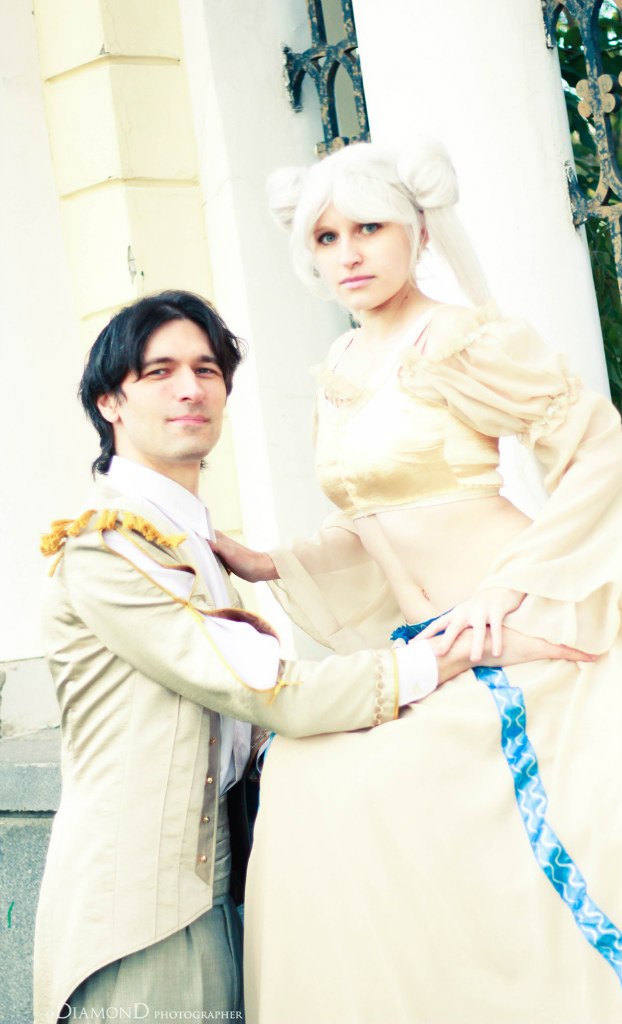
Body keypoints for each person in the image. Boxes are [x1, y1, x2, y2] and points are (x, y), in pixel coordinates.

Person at [213, 141, 622, 1023]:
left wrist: (515, 584)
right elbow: (373, 519)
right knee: (310, 774)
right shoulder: (343, 365)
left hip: (517, 627)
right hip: (431, 643)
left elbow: (596, 452)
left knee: (368, 787)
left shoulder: (460, 340)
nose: (348, 254)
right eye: (326, 238)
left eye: (369, 228)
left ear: (419, 232)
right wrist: (270, 562)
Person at [33, 290, 570, 1024]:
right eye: (159, 372)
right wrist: (448, 653)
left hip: (213, 888)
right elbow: (269, 691)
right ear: (109, 403)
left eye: (207, 369)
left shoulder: (189, 539)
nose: (191, 388)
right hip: (137, 914)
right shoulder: (108, 548)